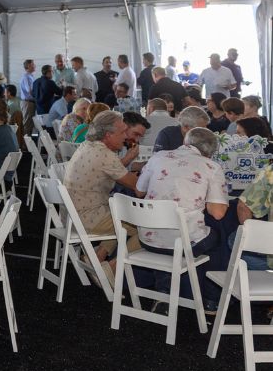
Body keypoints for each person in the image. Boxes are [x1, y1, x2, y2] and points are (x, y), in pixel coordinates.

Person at [135, 127, 228, 313]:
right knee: (219, 238)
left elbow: (139, 191)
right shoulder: (211, 167)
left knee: (170, 238)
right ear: (210, 152)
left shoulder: (158, 156)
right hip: (184, 242)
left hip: (147, 238)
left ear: (185, 142)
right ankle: (211, 299)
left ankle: (164, 293)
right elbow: (217, 213)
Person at [64, 111, 140, 280]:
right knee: (145, 229)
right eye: (122, 132)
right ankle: (112, 269)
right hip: (88, 218)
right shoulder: (105, 155)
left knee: (119, 214)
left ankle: (97, 257)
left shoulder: (88, 145)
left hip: (72, 215)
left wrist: (128, 159)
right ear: (108, 135)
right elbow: (138, 188)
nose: (126, 136)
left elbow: (111, 170)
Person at [20, 59, 36, 136]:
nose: (35, 66)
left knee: (29, 124)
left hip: (29, 102)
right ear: (29, 66)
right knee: (27, 124)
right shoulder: (27, 77)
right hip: (28, 103)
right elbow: (29, 90)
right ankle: (25, 145)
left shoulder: (30, 76)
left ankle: (26, 144)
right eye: (33, 64)